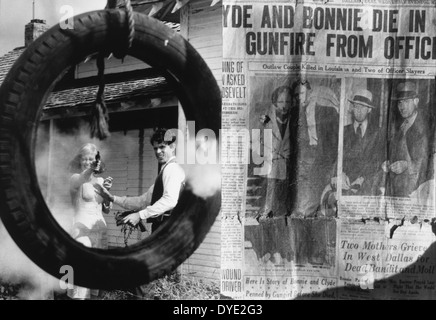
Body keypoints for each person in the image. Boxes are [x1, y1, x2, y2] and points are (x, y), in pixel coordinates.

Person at [96, 128, 186, 234]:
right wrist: (112, 198)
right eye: (155, 148)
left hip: (169, 228)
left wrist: (139, 215)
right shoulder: (165, 171)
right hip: (164, 228)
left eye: (162, 147)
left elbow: (170, 200)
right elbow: (142, 201)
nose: (158, 152)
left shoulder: (172, 168)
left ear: (172, 147)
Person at [67, 143, 113, 300]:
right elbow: (83, 177)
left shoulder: (100, 181)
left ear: (97, 161)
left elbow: (106, 209)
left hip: (100, 231)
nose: (88, 162)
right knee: (81, 273)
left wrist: (107, 194)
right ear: (80, 161)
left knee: (97, 275)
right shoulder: (75, 179)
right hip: (82, 232)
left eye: (91, 159)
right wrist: (91, 169)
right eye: (85, 159)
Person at [291, 78, 340, 216]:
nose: (299, 98)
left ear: (309, 91)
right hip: (304, 156)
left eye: (301, 93)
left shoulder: (325, 109)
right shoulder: (296, 112)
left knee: (320, 190)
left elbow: (334, 139)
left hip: (322, 155)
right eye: (296, 95)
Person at [381, 81, 431, 197]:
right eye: (400, 102)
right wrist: (389, 163)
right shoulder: (401, 126)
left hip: (418, 189)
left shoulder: (426, 126)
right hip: (398, 186)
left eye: (407, 101)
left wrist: (407, 165)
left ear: (416, 101)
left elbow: (429, 160)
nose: (402, 106)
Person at [331, 89, 383, 195]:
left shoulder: (378, 132)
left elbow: (378, 162)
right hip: (344, 185)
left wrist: (362, 179)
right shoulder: (343, 131)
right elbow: (335, 158)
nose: (358, 110)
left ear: (369, 110)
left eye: (362, 107)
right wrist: (340, 173)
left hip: (368, 185)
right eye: (356, 106)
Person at [256, 86, 293, 221]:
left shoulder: (293, 119)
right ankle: (267, 211)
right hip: (272, 160)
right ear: (275, 102)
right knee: (270, 187)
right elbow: (260, 140)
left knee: (286, 191)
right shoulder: (267, 119)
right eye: (281, 102)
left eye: (288, 102)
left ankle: (283, 213)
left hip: (287, 162)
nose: (284, 105)